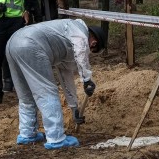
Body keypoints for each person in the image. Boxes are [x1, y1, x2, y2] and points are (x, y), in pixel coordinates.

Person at [6, 18, 105, 149]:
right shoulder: (79, 31)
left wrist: (74, 108)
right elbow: (81, 51)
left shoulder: (64, 40)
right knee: (47, 91)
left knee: (26, 95)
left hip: (13, 42)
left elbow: (66, 77)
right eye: (92, 50)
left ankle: (27, 134)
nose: (89, 51)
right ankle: (56, 138)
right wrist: (86, 79)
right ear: (94, 43)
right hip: (32, 45)